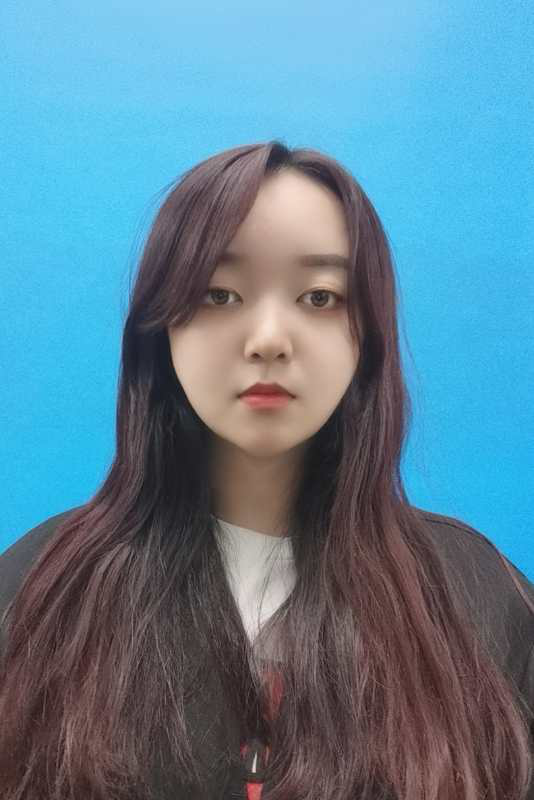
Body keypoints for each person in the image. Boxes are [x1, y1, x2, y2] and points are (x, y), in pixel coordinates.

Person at [0, 140, 533, 800]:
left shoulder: (477, 600)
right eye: (220, 294)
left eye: (320, 297)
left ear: (367, 336)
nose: (269, 339)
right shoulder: (41, 592)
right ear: (161, 330)